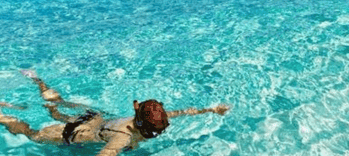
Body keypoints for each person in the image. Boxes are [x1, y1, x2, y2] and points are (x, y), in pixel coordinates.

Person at [0, 70, 229, 156]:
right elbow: (106, 154)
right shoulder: (123, 137)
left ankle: (37, 79)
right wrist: (210, 109)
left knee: (59, 105)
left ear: (136, 108)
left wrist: (210, 109)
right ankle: (3, 116)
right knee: (33, 135)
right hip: (78, 132)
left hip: (95, 117)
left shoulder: (150, 117)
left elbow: (183, 112)